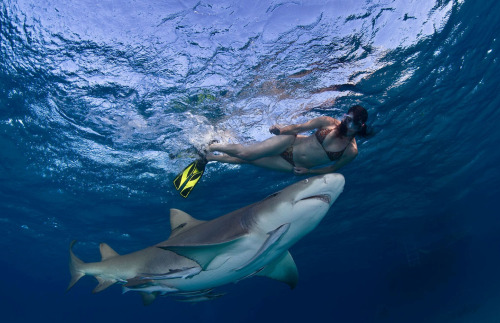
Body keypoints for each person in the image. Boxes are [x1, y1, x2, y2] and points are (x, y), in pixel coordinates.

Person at [206, 105, 369, 175]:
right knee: (248, 154)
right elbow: (298, 128)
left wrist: (310, 172)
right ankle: (213, 146)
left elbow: (333, 168)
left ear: (361, 126)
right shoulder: (328, 122)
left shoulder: (351, 151)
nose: (347, 124)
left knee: (247, 161)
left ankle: (210, 157)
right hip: (290, 142)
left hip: (293, 165)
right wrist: (281, 130)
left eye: (352, 122)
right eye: (347, 118)